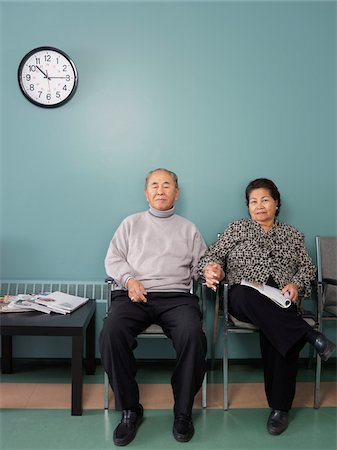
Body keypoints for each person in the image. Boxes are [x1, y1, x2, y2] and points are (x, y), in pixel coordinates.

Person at [197, 178, 335, 436]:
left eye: (265, 200)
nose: (259, 206)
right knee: (259, 303)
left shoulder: (292, 234)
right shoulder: (236, 229)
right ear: (247, 206)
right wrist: (212, 268)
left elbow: (307, 268)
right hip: (242, 294)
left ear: (276, 203)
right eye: (253, 201)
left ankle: (279, 409)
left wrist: (295, 283)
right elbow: (210, 256)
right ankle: (310, 334)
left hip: (281, 296)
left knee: (280, 326)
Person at [100, 168, 207, 446]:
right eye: (155, 185)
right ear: (146, 192)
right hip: (135, 294)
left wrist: (212, 272)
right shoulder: (131, 223)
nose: (160, 190)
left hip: (177, 298)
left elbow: (202, 267)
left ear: (177, 192)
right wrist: (129, 279)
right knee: (111, 332)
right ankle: (129, 408)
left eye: (167, 185)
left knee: (192, 334)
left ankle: (182, 412)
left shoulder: (189, 228)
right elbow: (113, 259)